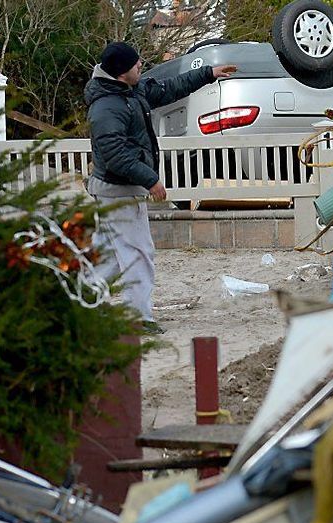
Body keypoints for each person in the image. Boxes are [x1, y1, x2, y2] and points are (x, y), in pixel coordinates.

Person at [85, 42, 236, 334]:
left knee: (112, 253)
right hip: (118, 190)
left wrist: (208, 73)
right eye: (134, 62)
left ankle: (82, 300)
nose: (140, 64)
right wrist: (150, 179)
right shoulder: (106, 106)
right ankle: (138, 316)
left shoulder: (132, 90)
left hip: (119, 189)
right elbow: (115, 154)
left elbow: (169, 89)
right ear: (120, 72)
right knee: (139, 251)